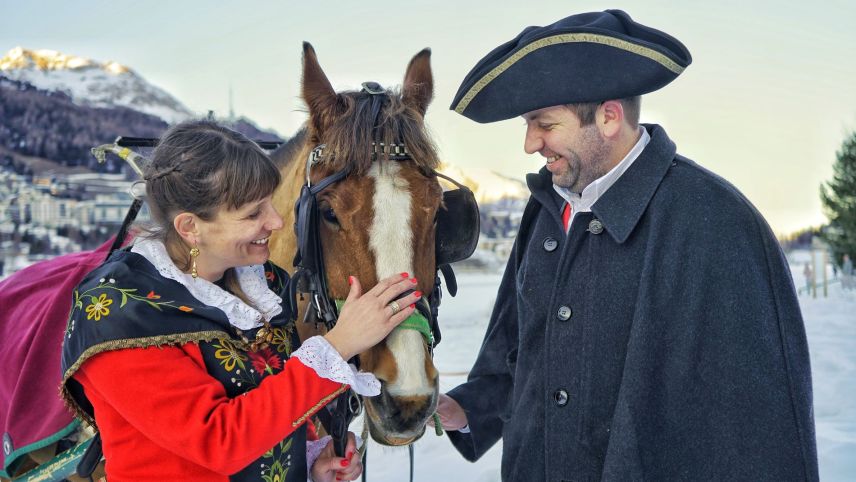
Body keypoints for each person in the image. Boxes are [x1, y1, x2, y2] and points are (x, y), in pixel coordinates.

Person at [432, 10, 818, 481]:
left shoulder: (717, 222)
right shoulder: (547, 211)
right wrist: (466, 407)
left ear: (609, 117)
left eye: (544, 124)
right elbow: (519, 353)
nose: (530, 143)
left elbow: (757, 431)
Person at [60, 120, 422, 482]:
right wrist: (338, 345)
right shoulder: (120, 312)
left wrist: (307, 461)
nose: (277, 221)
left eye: (270, 204)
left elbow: (266, 399)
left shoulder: (261, 284)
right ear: (190, 228)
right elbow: (220, 441)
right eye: (253, 213)